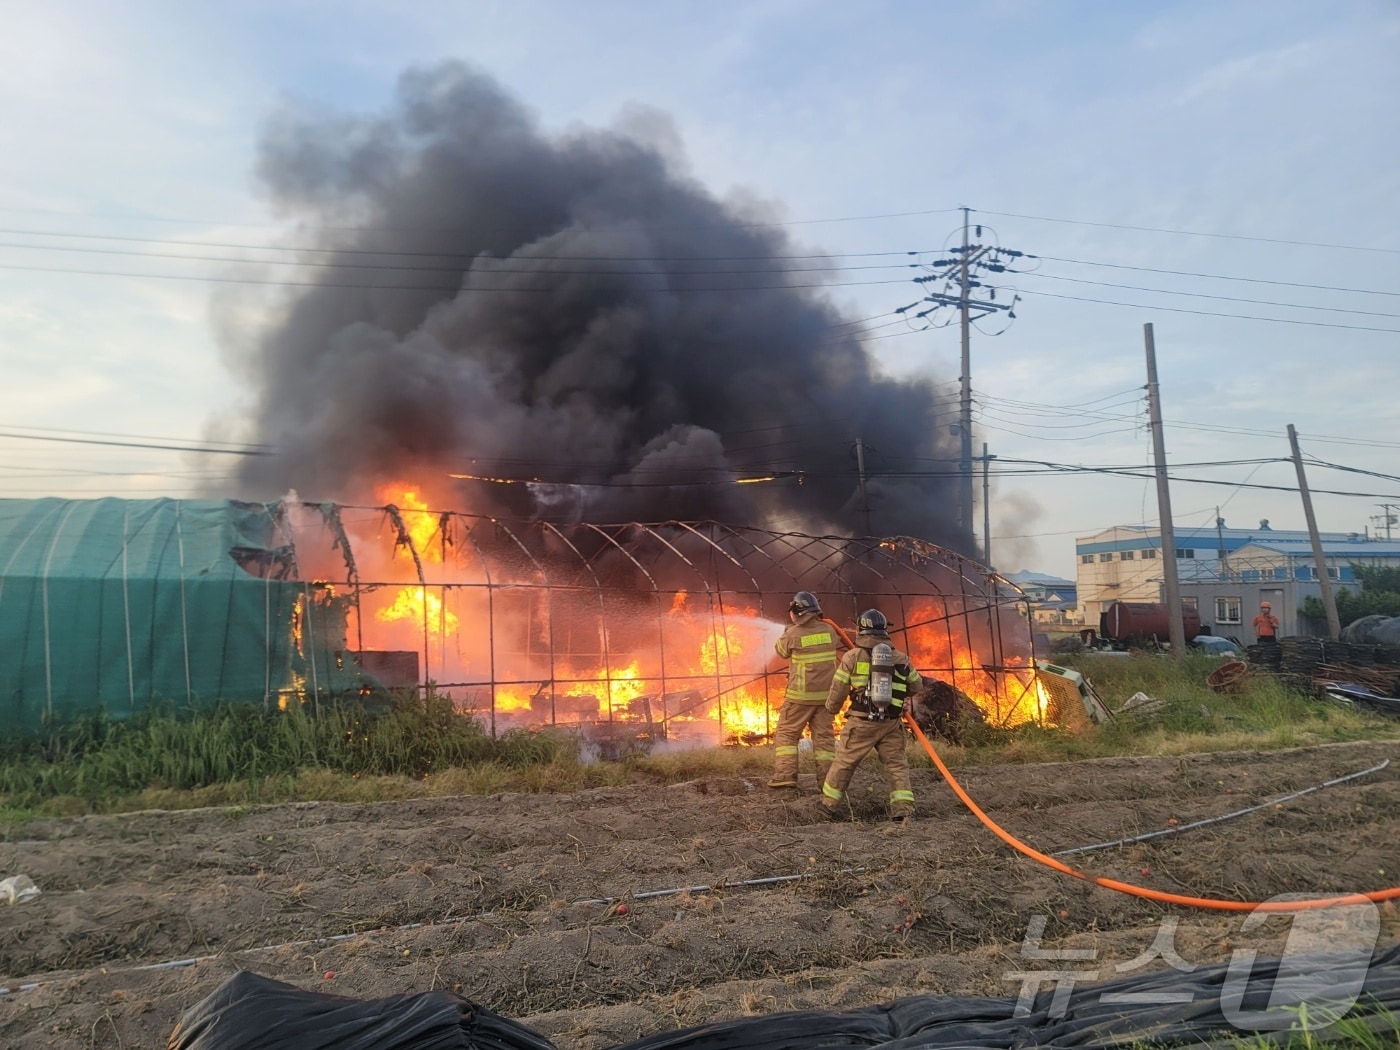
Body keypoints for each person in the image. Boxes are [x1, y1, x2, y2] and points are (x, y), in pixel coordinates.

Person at [816, 608, 922, 822]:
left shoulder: (852, 656)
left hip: (861, 722)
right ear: (885, 630)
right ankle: (903, 809)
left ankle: (828, 806)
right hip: (891, 723)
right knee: (896, 765)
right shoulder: (901, 657)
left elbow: (839, 689)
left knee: (844, 762)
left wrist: (831, 709)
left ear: (860, 630)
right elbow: (916, 686)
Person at [768, 591, 845, 789]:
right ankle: (828, 783)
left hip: (799, 698)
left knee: (787, 734)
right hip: (825, 698)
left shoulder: (792, 634)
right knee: (824, 739)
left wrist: (787, 631)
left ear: (797, 612)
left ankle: (785, 778)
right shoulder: (830, 631)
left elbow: (782, 651)